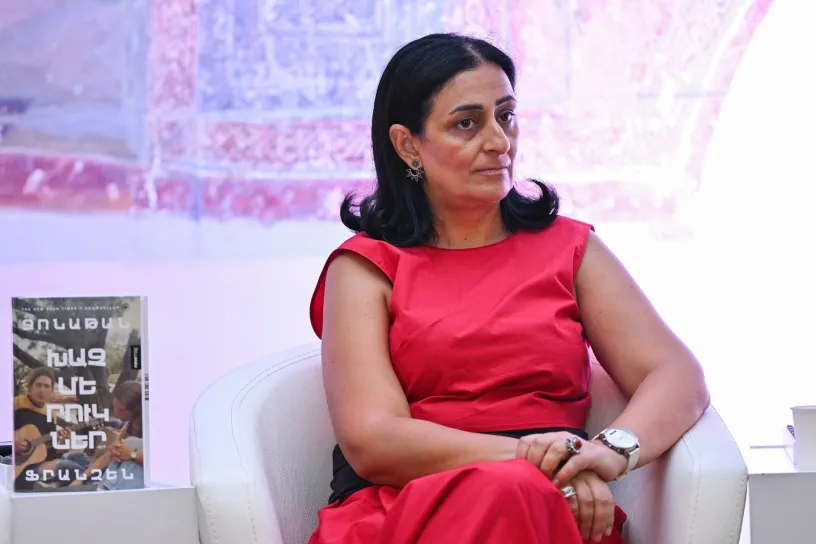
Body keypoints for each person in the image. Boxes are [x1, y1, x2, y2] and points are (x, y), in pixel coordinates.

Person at [307, 33, 710, 543]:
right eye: (466, 124)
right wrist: (539, 461)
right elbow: (373, 439)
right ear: (408, 144)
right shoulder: (366, 266)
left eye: (506, 116)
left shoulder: (570, 248)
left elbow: (676, 374)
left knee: (517, 493)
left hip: (554, 510)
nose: (499, 141)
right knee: (511, 489)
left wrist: (607, 452)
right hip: (407, 510)